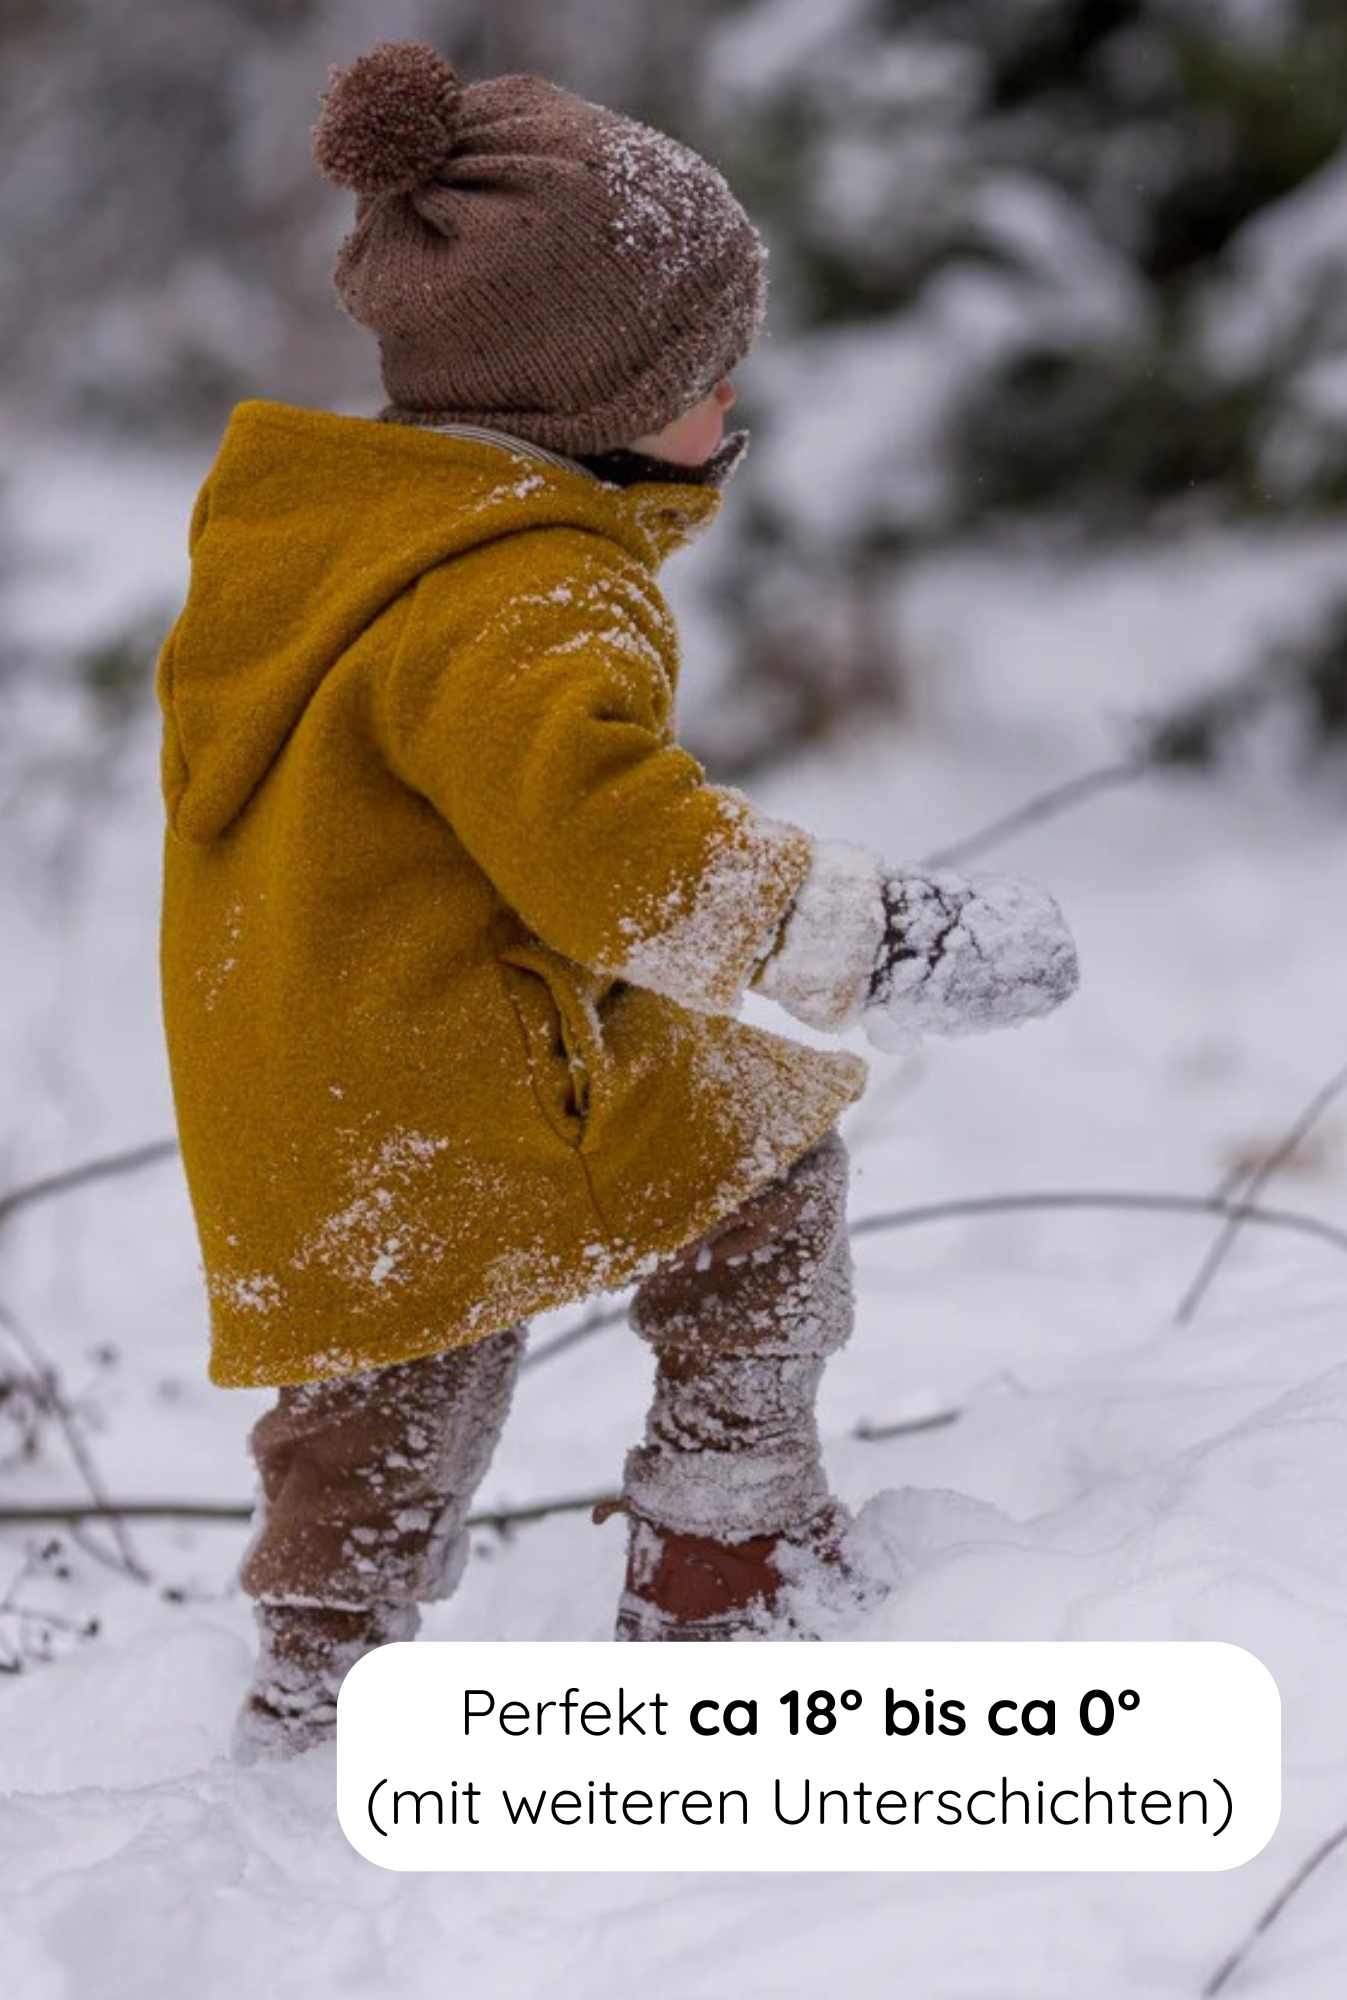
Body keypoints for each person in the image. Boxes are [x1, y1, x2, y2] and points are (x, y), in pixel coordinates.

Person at [153, 42, 1079, 1760]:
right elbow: (623, 858)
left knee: (378, 1401)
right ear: (592, 393)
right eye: (708, 374)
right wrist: (881, 936)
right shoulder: (521, 595)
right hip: (463, 1085)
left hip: (308, 1085)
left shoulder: (338, 544)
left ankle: (314, 1687)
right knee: (762, 1178)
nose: (732, 406)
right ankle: (731, 1557)